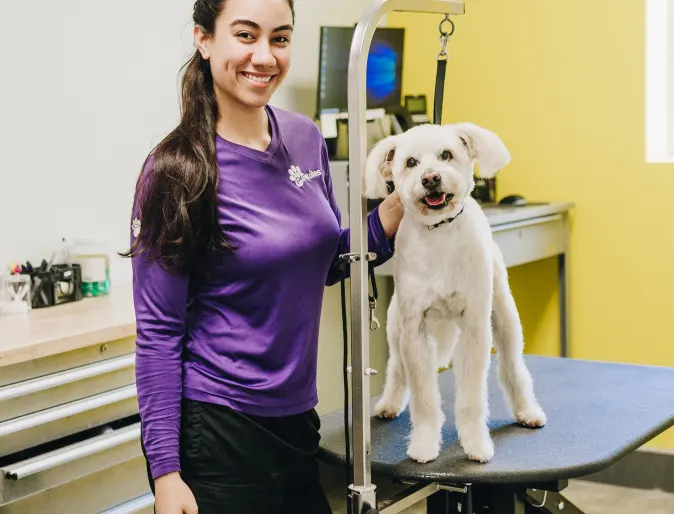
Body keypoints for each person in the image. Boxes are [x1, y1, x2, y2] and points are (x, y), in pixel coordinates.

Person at [122, 0, 404, 512]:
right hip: (220, 429)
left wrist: (393, 210)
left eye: (279, 38)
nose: (264, 56)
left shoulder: (304, 137)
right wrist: (165, 474)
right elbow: (159, 334)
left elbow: (320, 260)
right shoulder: (176, 170)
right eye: (246, 35)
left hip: (299, 419)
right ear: (204, 40)